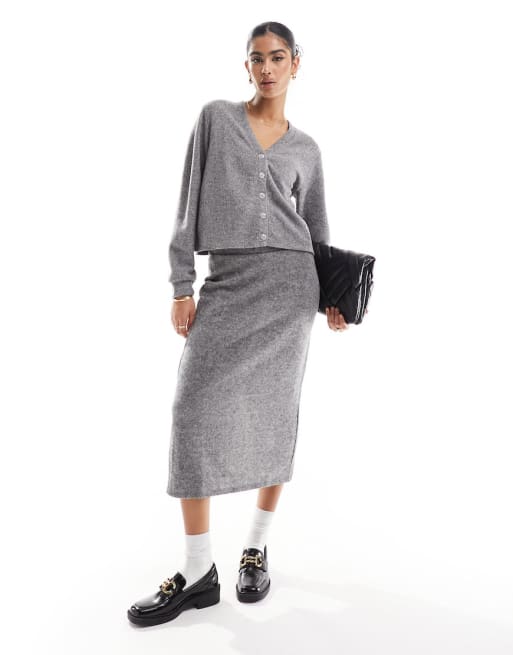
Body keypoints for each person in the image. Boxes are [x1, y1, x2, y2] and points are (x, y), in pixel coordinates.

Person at [127, 21, 348, 627]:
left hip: (290, 292)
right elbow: (187, 205)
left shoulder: (307, 149)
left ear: (296, 63)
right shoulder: (216, 119)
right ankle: (198, 569)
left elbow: (318, 231)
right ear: (246, 66)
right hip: (226, 284)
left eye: (278, 57)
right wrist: (182, 285)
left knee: (276, 415)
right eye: (257, 58)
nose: (267, 68)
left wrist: (332, 296)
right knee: (192, 411)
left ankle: (255, 548)